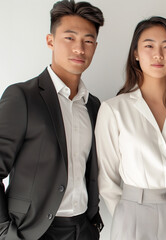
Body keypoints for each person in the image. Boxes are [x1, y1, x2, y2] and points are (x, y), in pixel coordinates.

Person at [95, 16, 166, 240]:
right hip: (132, 216)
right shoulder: (114, 110)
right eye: (149, 46)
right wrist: (127, 213)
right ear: (136, 54)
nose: (158, 55)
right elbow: (107, 180)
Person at [0, 0, 104, 239]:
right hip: (33, 231)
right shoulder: (22, 97)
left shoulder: (94, 106)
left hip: (83, 229)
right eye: (70, 38)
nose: (79, 48)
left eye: (88, 41)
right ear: (50, 41)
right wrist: (5, 232)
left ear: (95, 47)